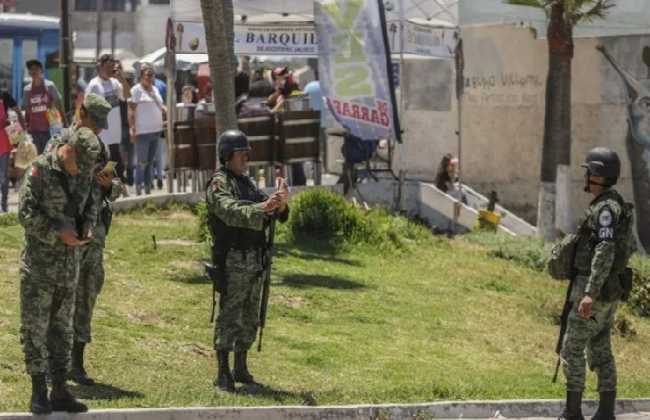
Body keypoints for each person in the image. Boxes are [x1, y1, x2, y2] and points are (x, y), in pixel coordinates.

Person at [18, 121, 104, 414]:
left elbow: (91, 204)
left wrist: (87, 228)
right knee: (35, 329)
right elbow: (25, 213)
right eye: (78, 163)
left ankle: (61, 390)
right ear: (68, 150)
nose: (81, 170)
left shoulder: (81, 171)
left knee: (62, 331)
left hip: (69, 268)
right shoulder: (39, 171)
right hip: (39, 269)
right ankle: (39, 391)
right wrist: (57, 233)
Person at [44, 93, 121, 386]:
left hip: (94, 234)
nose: (99, 129)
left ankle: (77, 362)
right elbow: (47, 178)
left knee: (87, 295)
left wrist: (109, 184)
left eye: (102, 124)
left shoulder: (101, 147)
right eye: (95, 121)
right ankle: (56, 364)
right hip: (66, 232)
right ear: (81, 112)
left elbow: (118, 186)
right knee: (61, 297)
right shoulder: (60, 140)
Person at [205, 129, 290, 392]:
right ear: (227, 155)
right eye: (241, 153)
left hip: (255, 260)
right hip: (233, 259)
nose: (246, 158)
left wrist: (280, 203)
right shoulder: (220, 183)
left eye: (247, 153)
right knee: (230, 315)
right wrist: (262, 208)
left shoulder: (248, 183)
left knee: (251, 315)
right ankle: (223, 371)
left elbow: (268, 208)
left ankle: (240, 366)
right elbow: (230, 211)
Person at [557, 147, 636, 420]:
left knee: (572, 348)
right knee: (601, 349)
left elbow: (605, 250)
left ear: (599, 175)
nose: (587, 176)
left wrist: (589, 292)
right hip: (609, 290)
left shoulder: (605, 209)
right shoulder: (614, 204)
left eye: (590, 171)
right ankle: (605, 413)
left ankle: (573, 412)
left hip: (594, 290)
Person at [86, 54, 131, 195]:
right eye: (108, 66)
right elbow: (89, 108)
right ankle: (108, 188)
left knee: (114, 161)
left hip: (114, 132)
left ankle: (116, 187)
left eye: (112, 66)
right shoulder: (95, 85)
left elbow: (127, 95)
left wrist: (122, 79)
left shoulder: (114, 83)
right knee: (103, 162)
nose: (111, 69)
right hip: (102, 132)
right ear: (100, 66)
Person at [128, 64, 167, 196]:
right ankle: (138, 188)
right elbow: (131, 110)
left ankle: (148, 188)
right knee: (142, 162)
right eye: (148, 75)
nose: (150, 78)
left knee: (150, 163)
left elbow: (162, 107)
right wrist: (132, 129)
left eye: (152, 76)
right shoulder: (136, 90)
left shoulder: (155, 90)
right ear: (141, 76)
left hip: (156, 131)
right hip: (142, 133)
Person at [23, 59, 68, 154]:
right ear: (29, 72)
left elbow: (59, 106)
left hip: (50, 131)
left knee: (49, 158)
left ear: (41, 70)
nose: (34, 71)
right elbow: (27, 110)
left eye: (36, 68)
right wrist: (26, 126)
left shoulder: (50, 86)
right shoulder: (27, 90)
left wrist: (65, 125)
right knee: (36, 159)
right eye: (31, 69)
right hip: (34, 131)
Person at [1, 88, 25, 213]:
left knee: (3, 176)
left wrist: (22, 130)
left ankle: (4, 206)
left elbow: (18, 111)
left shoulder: (4, 95)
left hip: (3, 140)